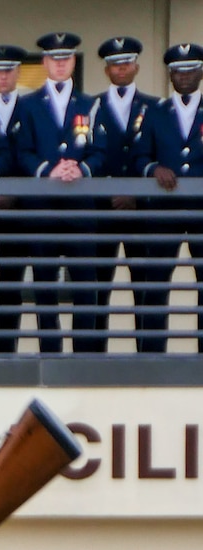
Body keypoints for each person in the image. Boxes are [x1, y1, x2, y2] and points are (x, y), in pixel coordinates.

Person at [11, 32, 108, 355]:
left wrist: (81, 169)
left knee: (85, 285)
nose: (61, 63)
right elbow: (21, 151)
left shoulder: (91, 103)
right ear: (45, 62)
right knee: (45, 286)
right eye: (55, 58)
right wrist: (47, 170)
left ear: (74, 62)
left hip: (81, 206)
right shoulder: (26, 104)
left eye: (66, 58)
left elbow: (100, 150)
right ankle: (50, 354)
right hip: (42, 207)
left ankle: (83, 356)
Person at [91, 36, 162, 351]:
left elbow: (162, 155)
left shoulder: (156, 107)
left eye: (127, 62)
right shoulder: (90, 106)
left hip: (141, 210)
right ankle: (92, 360)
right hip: (100, 210)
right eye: (115, 64)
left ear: (136, 67)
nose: (121, 68)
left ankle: (147, 358)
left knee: (146, 288)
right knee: (96, 288)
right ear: (107, 70)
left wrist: (136, 194)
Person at [136, 44, 203, 350]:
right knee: (156, 282)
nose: (184, 76)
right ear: (170, 75)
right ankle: (153, 354)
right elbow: (139, 157)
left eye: (190, 69)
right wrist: (154, 169)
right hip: (164, 209)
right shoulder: (155, 113)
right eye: (178, 70)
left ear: (200, 72)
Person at [0, 48, 32, 354]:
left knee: (11, 284)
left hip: (20, 209)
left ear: (17, 73)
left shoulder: (31, 108)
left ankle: (5, 351)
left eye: (9, 70)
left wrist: (16, 194)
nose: (3, 76)